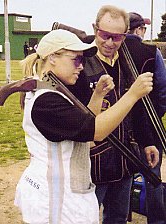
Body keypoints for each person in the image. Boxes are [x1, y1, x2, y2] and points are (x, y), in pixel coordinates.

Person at [14, 29, 153, 224]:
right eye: (76, 60)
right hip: (55, 202)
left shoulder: (53, 92)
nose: (81, 67)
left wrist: (97, 96)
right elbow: (96, 131)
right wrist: (133, 95)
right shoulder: (47, 101)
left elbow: (85, 134)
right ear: (53, 57)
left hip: (62, 195)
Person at [63, 5, 159, 224]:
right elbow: (76, 118)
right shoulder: (78, 64)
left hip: (124, 159)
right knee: (84, 217)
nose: (109, 43)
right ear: (95, 28)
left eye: (117, 37)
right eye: (104, 35)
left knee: (117, 217)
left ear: (125, 35)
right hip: (92, 161)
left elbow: (137, 106)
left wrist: (147, 142)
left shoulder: (127, 60)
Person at [127, 12, 166, 224]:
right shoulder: (152, 52)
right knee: (153, 176)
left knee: (122, 176)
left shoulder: (111, 51)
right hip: (149, 123)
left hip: (119, 123)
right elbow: (161, 89)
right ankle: (157, 220)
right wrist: (156, 115)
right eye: (143, 28)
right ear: (139, 29)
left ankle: (122, 213)